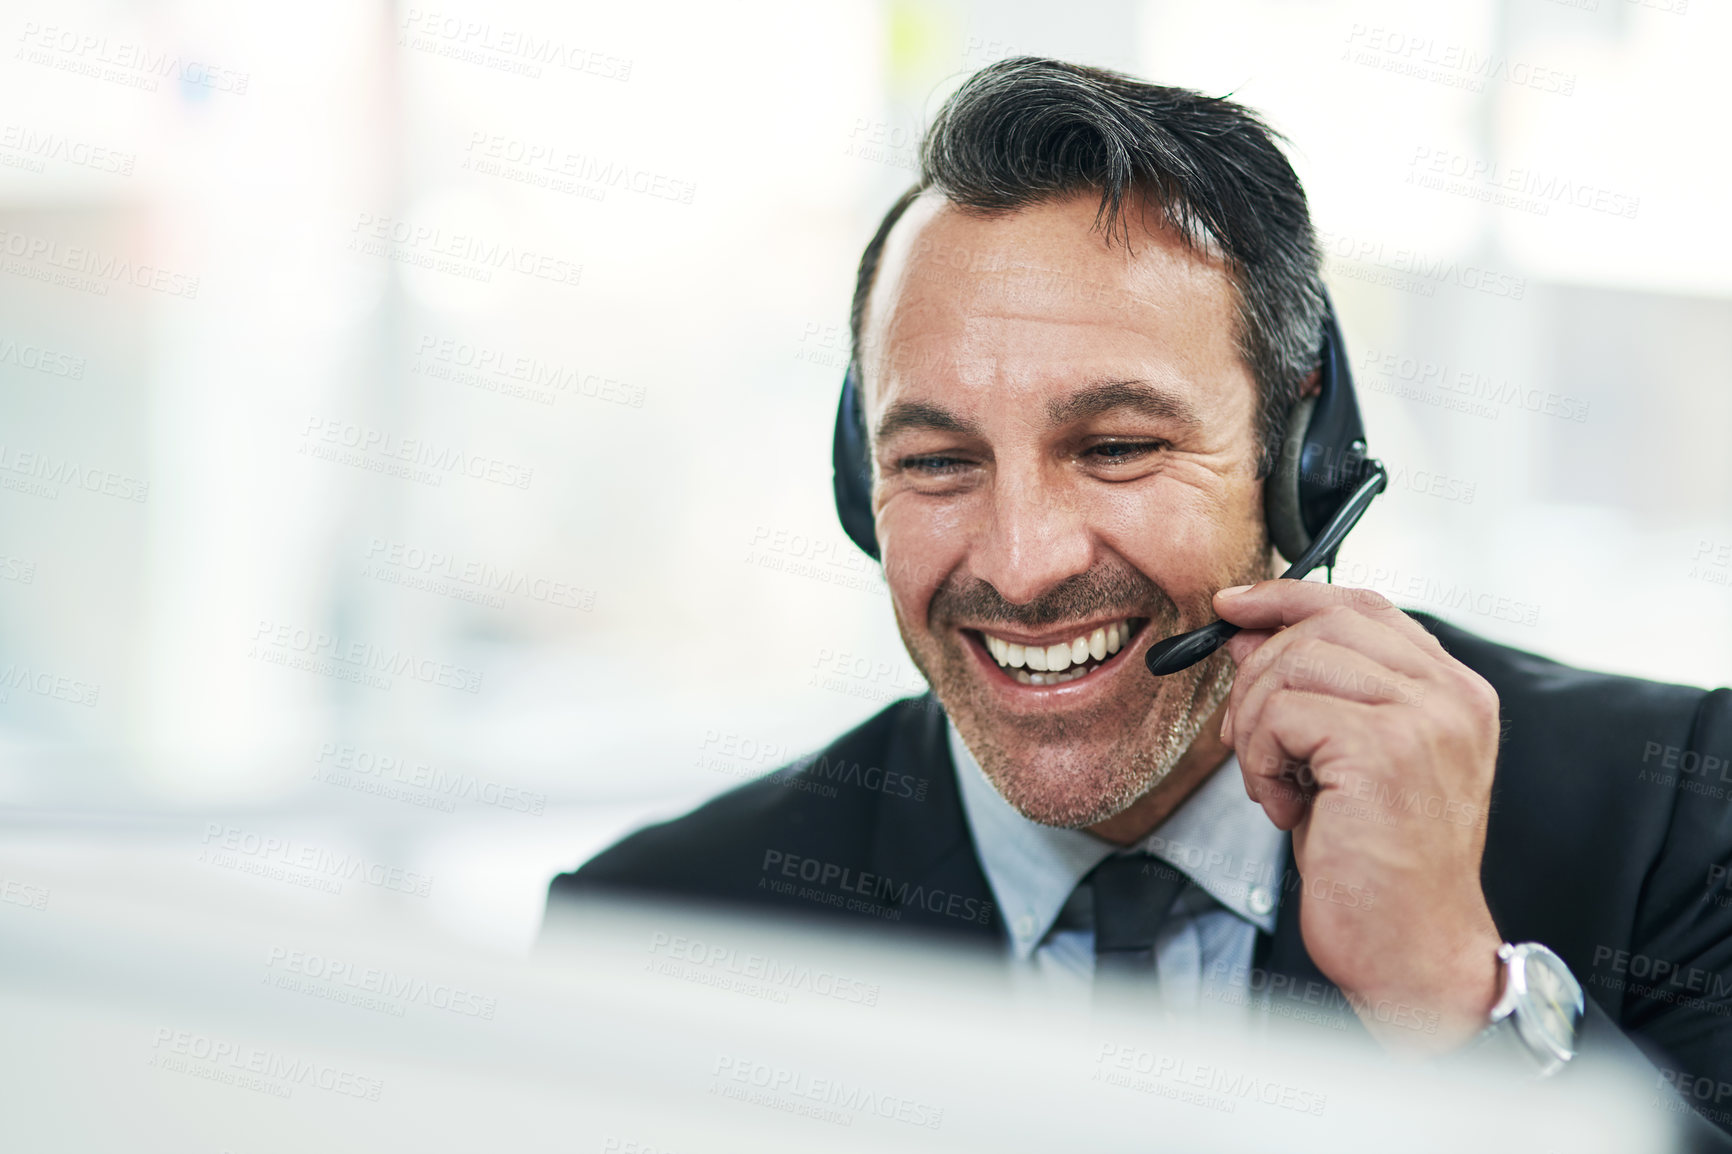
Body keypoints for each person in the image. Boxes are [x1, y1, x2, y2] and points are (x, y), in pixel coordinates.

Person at [547, 57, 1732, 1143]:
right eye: (937, 461)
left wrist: (1454, 1000)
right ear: (861, 488)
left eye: (1114, 445)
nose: (1019, 565)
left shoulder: (1673, 813)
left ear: (1298, 454)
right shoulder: (659, 932)